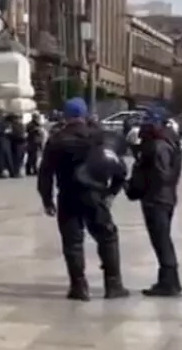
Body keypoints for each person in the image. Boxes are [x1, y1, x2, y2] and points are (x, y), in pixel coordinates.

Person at [37, 98, 129, 301]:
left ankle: (79, 287)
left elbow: (45, 173)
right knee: (107, 237)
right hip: (95, 195)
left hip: (68, 195)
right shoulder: (98, 137)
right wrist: (111, 192)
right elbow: (119, 168)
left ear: (65, 116)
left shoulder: (57, 140)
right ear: (85, 114)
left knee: (72, 242)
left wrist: (47, 200)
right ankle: (113, 284)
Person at [127, 111, 182, 297]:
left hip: (157, 200)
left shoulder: (159, 146)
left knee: (161, 240)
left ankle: (169, 282)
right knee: (162, 239)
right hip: (163, 198)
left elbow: (161, 175)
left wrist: (140, 178)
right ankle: (169, 280)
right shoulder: (167, 142)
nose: (143, 127)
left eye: (147, 123)